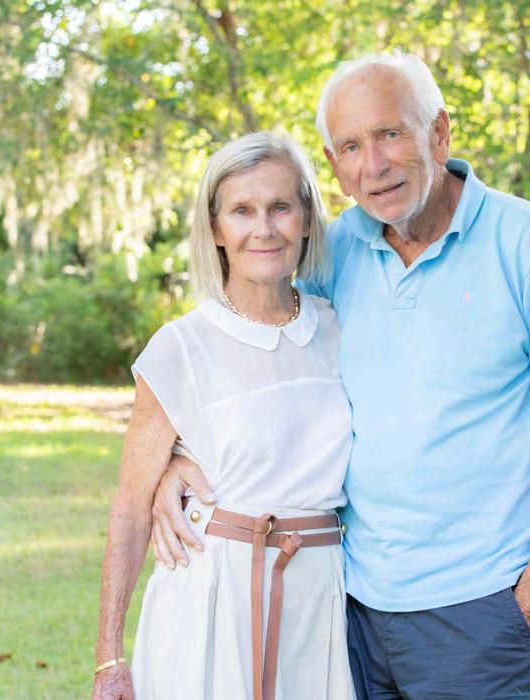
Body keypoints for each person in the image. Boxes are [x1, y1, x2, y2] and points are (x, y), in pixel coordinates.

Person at [150, 51, 530, 699]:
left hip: (480, 608)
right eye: (350, 146)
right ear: (334, 165)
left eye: (390, 133)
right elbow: (252, 357)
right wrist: (177, 456)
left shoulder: (529, 245)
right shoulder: (334, 253)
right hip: (353, 606)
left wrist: (527, 604)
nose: (374, 164)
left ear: (439, 132)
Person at [90, 131, 356, 700]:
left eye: (280, 207)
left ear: (306, 220)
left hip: (320, 596)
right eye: (241, 211)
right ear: (215, 229)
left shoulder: (338, 329)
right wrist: (109, 658)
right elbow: (131, 507)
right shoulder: (180, 347)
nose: (264, 229)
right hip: (211, 595)